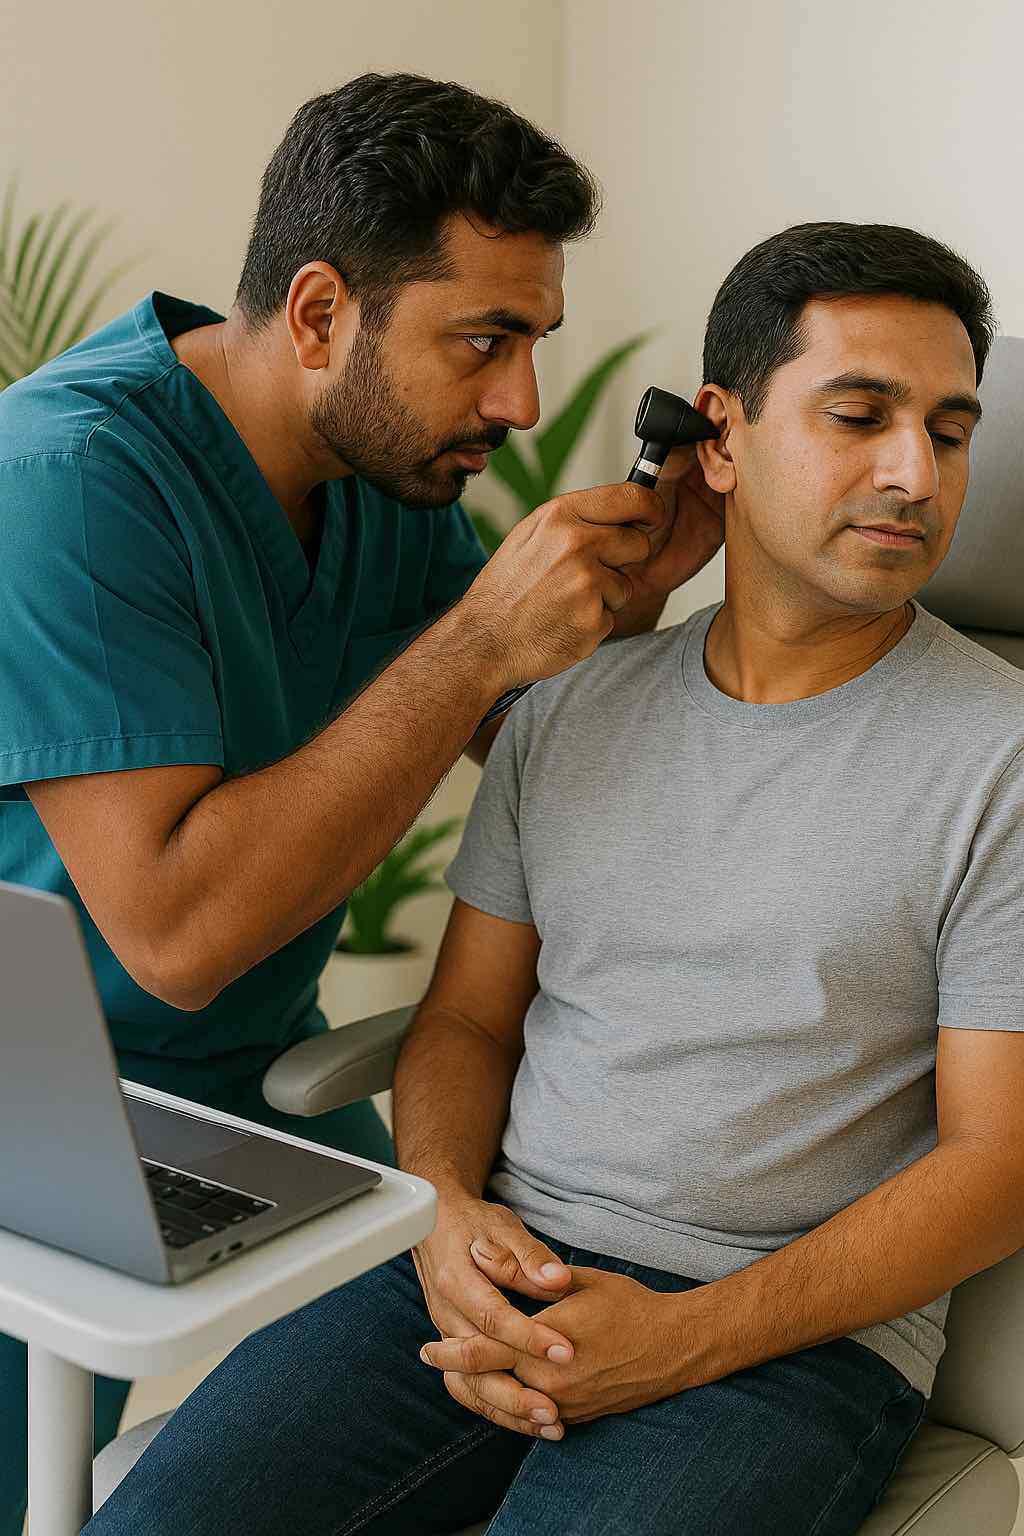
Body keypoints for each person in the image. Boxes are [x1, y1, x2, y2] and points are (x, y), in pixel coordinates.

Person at [83, 220, 1024, 1536]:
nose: (913, 472)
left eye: (951, 428)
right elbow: (466, 1019)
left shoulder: (1001, 762)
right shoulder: (575, 704)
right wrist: (445, 1215)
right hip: (490, 1270)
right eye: (860, 414)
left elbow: (999, 1158)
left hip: (783, 1348)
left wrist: (685, 1339)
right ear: (723, 434)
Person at [0, 74, 725, 1534]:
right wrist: (475, 640)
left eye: (535, 343)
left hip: (242, 1086)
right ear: (321, 311)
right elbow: (181, 935)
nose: (520, 405)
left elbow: (526, 744)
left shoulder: (381, 476)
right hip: (36, 1105)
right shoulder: (69, 482)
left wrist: (632, 602)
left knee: (446, 1388)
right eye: (486, 342)